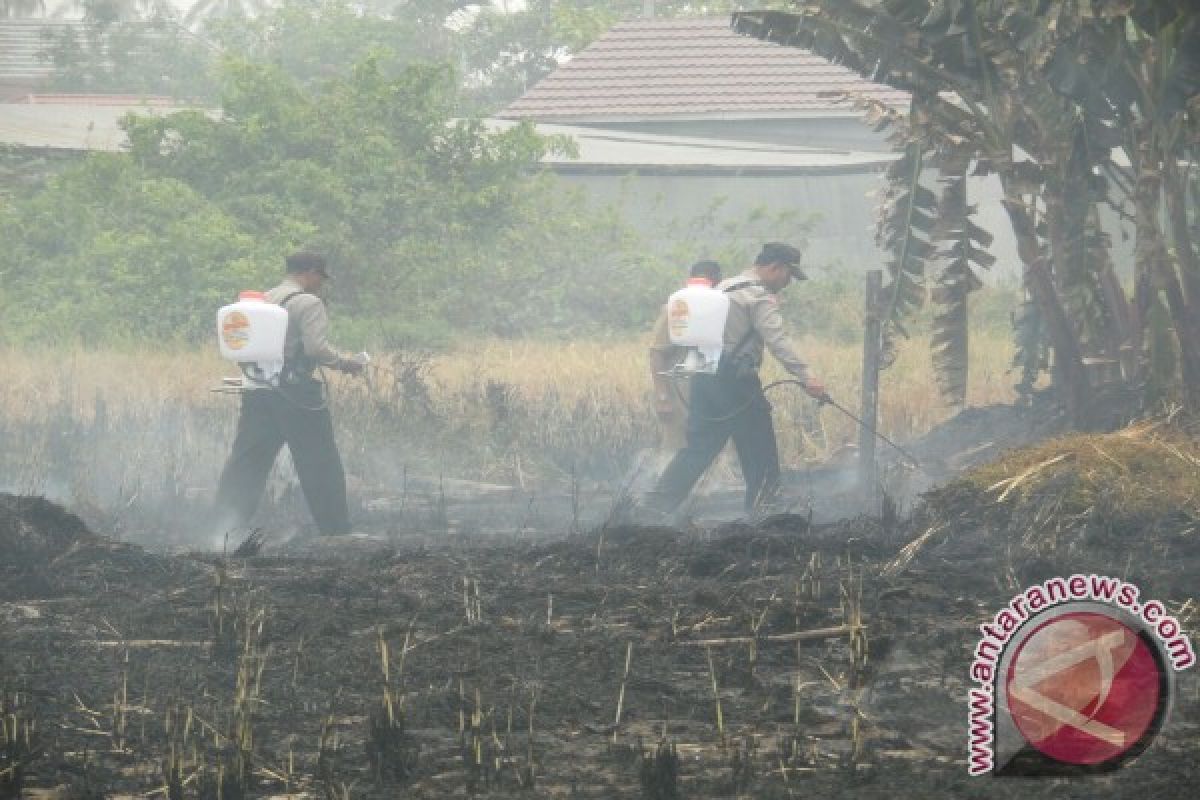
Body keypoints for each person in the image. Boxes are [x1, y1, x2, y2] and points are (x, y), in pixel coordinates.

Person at [645, 242, 825, 515]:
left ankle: (656, 504)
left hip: (703, 373)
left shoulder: (725, 287)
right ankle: (766, 507)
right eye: (788, 276)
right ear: (777, 267)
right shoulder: (757, 295)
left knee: (700, 446)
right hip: (733, 377)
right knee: (758, 439)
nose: (788, 283)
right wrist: (807, 377)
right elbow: (778, 341)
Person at [212, 252, 365, 537]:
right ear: (310, 272)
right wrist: (345, 364)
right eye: (320, 277)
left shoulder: (262, 301)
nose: (320, 284)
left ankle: (223, 529)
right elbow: (315, 348)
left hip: (257, 390)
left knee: (247, 462)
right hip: (295, 392)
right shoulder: (308, 302)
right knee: (320, 461)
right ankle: (336, 531)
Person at [648, 260, 723, 451]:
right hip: (679, 393)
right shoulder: (676, 307)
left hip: (709, 394)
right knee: (676, 450)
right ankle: (668, 481)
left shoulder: (721, 308)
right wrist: (663, 397)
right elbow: (657, 352)